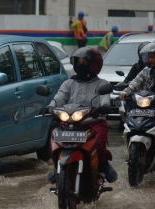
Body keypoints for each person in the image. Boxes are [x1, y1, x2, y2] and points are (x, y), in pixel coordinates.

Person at [46, 47, 118, 183]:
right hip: (70, 123)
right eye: (77, 62)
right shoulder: (69, 83)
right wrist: (49, 108)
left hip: (94, 122)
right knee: (55, 141)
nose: (80, 65)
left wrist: (103, 107)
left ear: (94, 65)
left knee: (100, 144)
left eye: (83, 62)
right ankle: (57, 167)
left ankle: (103, 165)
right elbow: (59, 98)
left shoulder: (102, 84)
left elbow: (105, 99)